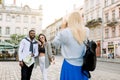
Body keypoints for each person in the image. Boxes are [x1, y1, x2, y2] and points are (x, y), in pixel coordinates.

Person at [52, 11, 89, 80]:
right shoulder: (86, 30)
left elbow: (55, 43)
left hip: (69, 65)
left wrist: (62, 29)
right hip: (83, 65)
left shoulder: (66, 32)